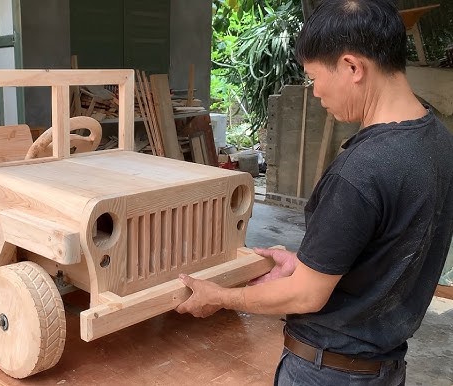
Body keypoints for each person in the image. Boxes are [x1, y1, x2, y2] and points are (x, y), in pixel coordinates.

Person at [175, 0, 453, 385]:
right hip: (384, 368)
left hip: (328, 371)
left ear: (352, 67)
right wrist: (307, 262)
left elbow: (306, 298)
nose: (316, 92)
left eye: (314, 76)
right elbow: (385, 253)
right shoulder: (437, 139)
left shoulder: (360, 172)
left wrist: (221, 297)